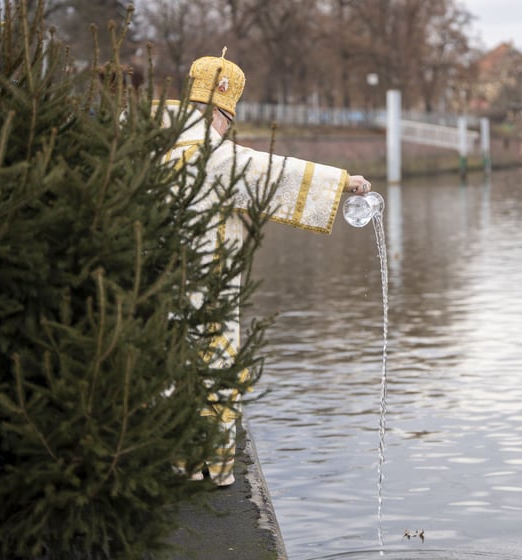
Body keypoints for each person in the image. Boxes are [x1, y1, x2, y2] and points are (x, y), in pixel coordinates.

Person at [156, 49, 372, 486]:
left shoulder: (163, 142)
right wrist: (345, 182)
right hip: (205, 282)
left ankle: (170, 456)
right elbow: (273, 171)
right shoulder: (211, 155)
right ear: (221, 112)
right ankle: (204, 468)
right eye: (227, 122)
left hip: (161, 280)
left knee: (169, 364)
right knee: (209, 360)